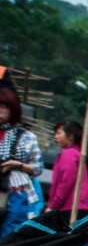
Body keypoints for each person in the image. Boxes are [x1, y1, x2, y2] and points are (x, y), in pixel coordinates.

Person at [0, 88, 44, 237]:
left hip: (16, 195)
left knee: (9, 236)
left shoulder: (26, 137)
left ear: (13, 109)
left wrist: (18, 165)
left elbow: (38, 168)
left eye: (3, 106)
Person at [45, 120, 88, 225]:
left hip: (71, 207)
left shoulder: (69, 154)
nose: (56, 137)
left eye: (59, 133)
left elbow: (66, 182)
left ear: (70, 136)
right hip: (76, 206)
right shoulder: (75, 153)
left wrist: (53, 205)